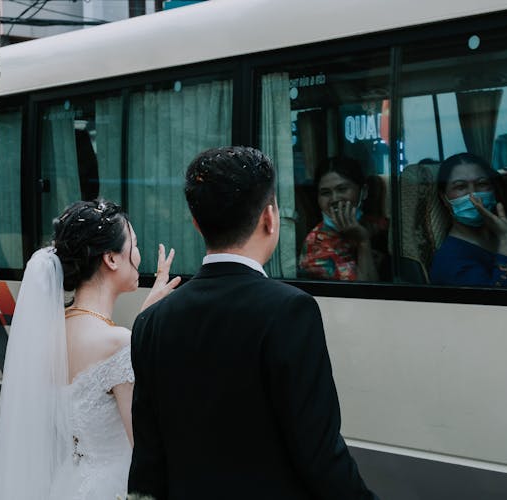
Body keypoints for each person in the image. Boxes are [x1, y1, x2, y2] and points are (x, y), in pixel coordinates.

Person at [128, 146, 377, 499]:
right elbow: (319, 453)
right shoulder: (290, 310)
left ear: (196, 223)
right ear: (270, 217)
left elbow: (148, 462)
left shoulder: (151, 321)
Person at [0, 199, 180, 500]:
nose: (140, 256)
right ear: (112, 259)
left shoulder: (51, 333)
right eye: (135, 244)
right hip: (114, 487)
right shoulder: (118, 342)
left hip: (69, 483)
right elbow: (143, 444)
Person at [429, 152, 507, 287]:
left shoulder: (502, 235)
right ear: (444, 198)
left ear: (493, 190)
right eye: (460, 187)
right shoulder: (449, 261)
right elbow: (502, 304)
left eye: (482, 184)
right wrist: (505, 239)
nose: (474, 196)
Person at [298, 157, 389, 281]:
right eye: (325, 193)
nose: (334, 199)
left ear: (364, 191)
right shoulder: (316, 245)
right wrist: (363, 243)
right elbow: (365, 296)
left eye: (342, 189)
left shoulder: (380, 227)